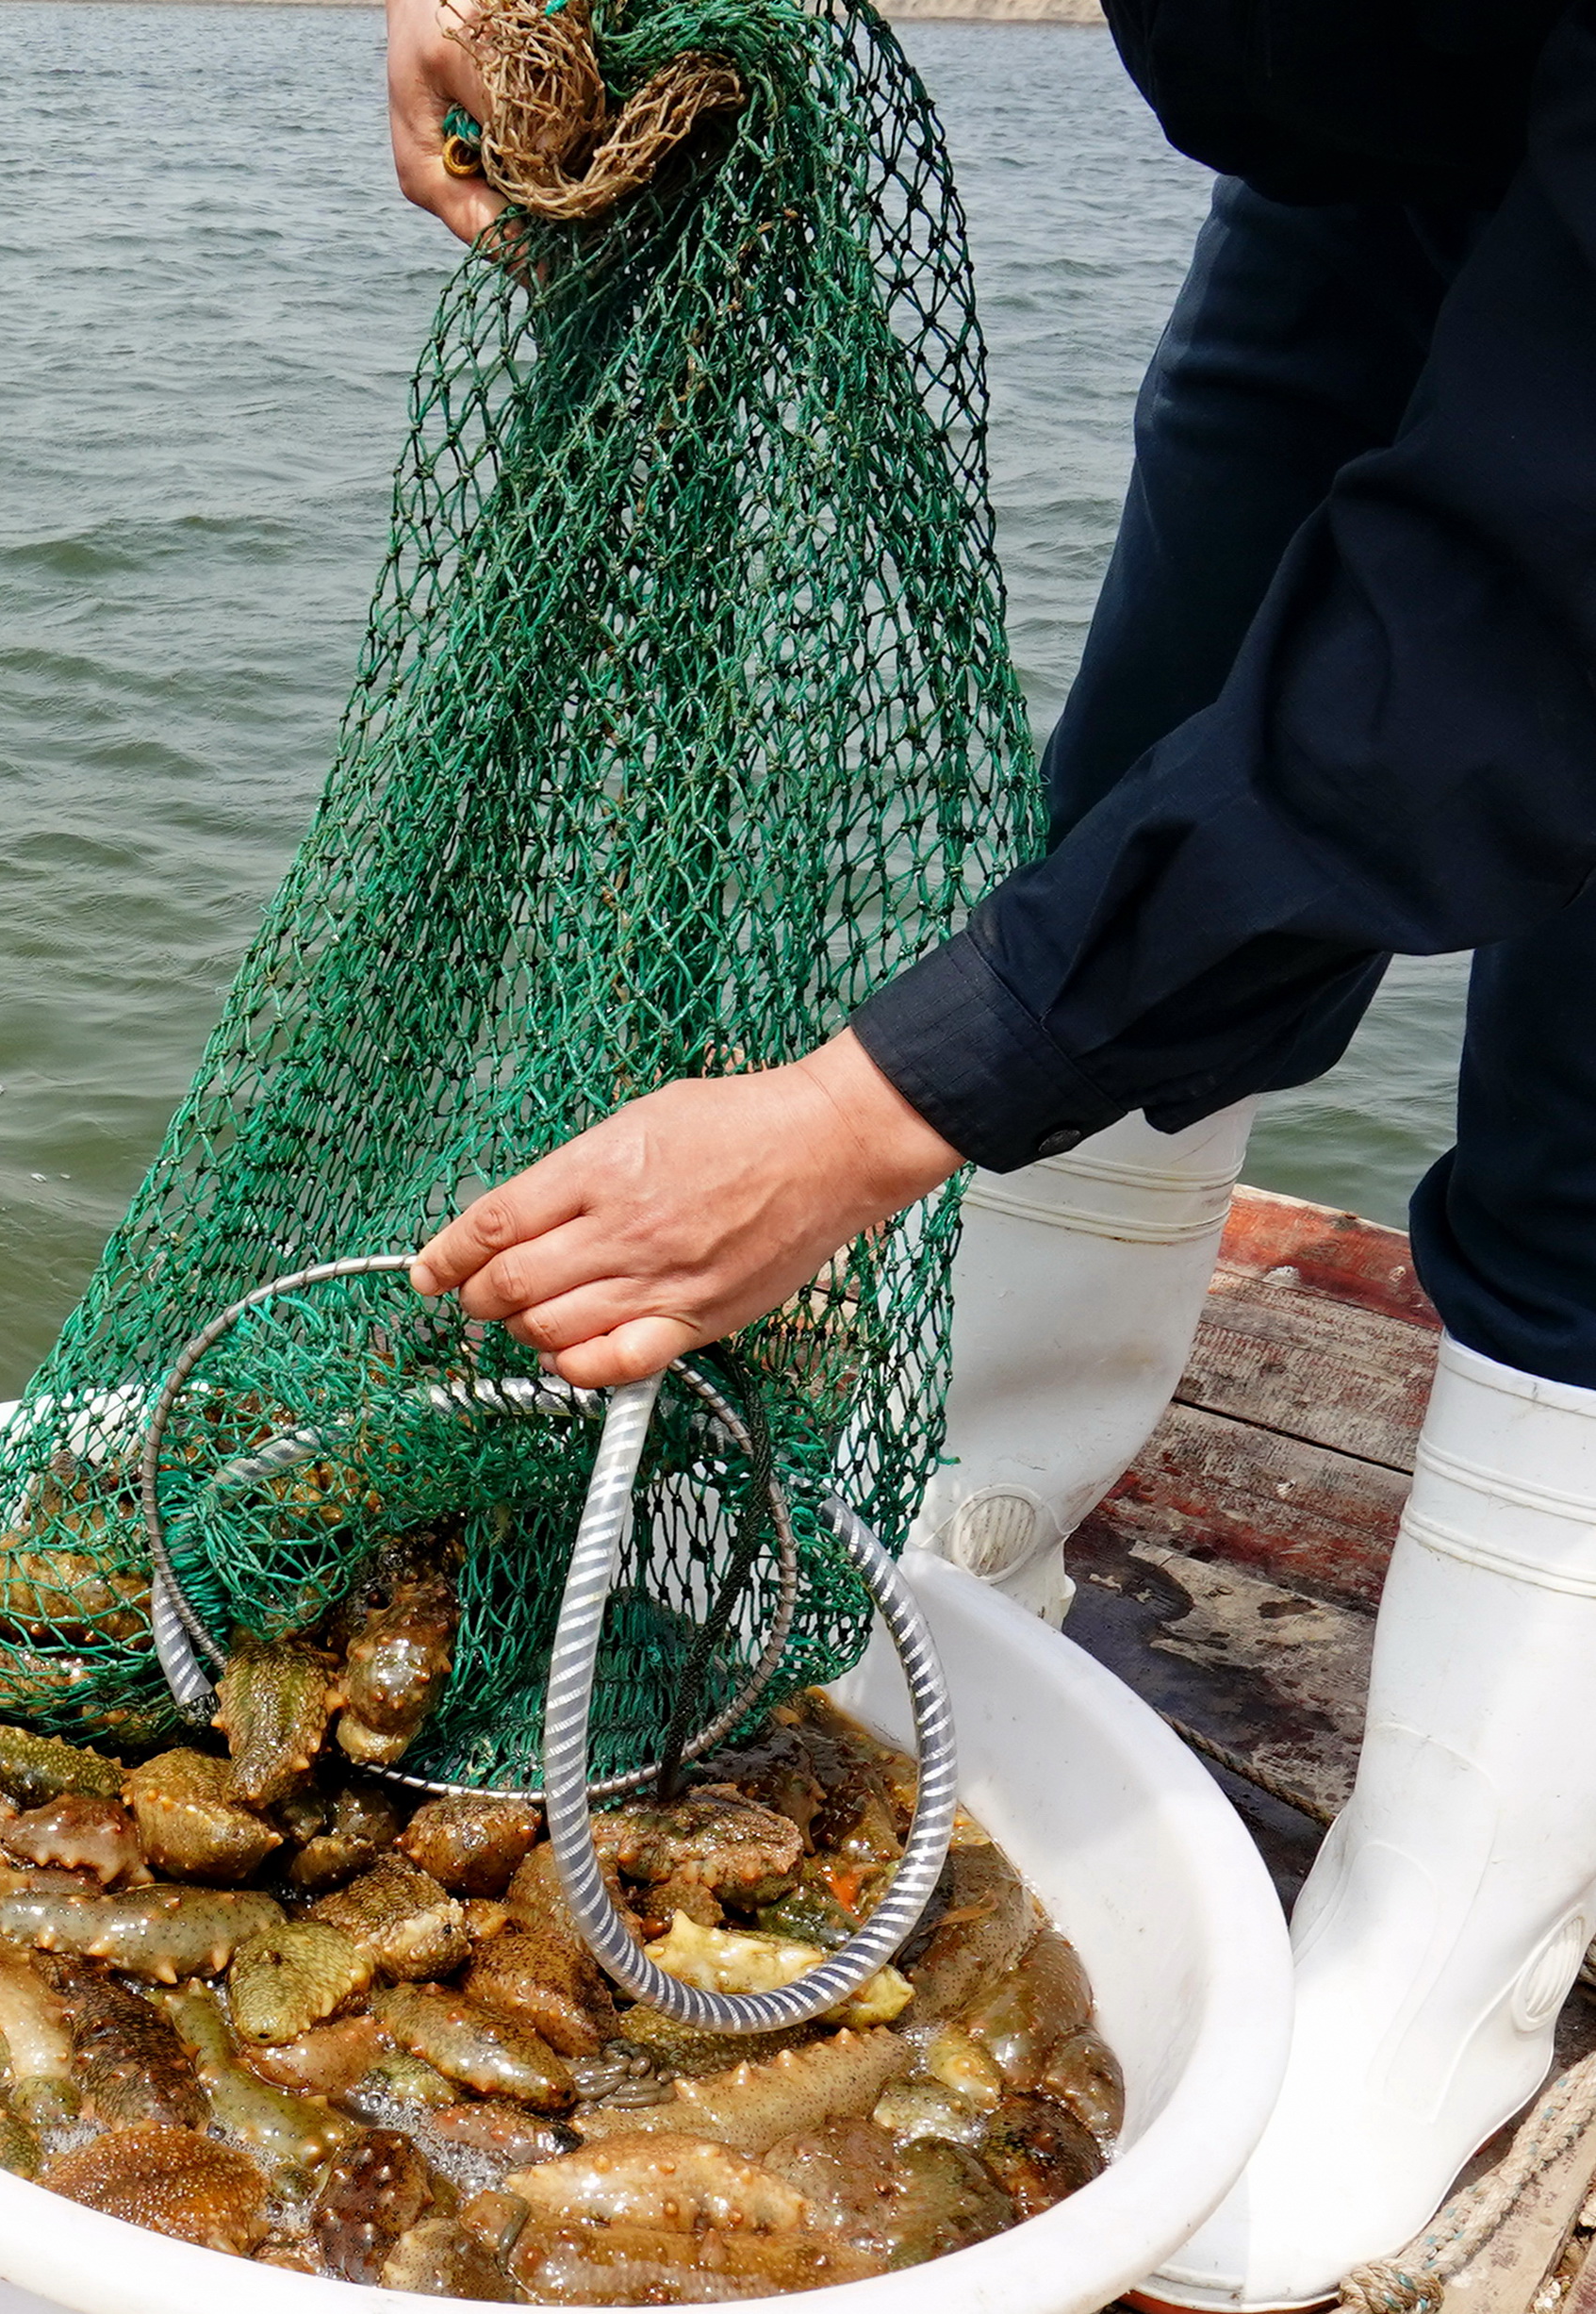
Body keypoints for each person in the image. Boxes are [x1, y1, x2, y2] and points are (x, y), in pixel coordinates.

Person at [387, 0, 1592, 2300]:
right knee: (1167, 733)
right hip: (1384, 118)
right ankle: (958, 1545)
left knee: (1583, 1137)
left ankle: (1456, 1925)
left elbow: (1519, 632)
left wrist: (864, 1113)